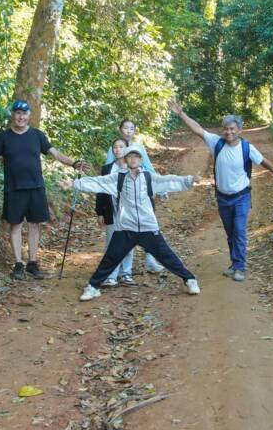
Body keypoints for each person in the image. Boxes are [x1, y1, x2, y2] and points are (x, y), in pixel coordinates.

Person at [0, 100, 91, 280]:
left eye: (24, 114)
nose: (21, 117)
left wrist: (74, 163)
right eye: (18, 113)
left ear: (29, 115)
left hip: (36, 187)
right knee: (15, 225)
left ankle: (32, 263)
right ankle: (18, 264)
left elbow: (55, 153)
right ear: (13, 115)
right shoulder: (4, 137)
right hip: (14, 188)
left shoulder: (37, 135)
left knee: (35, 225)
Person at [61, 145, 201, 301]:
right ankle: (93, 287)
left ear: (141, 159)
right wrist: (74, 183)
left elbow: (168, 180)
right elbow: (98, 182)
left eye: (136, 156)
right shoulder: (119, 178)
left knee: (166, 256)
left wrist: (189, 180)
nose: (133, 159)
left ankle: (190, 280)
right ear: (126, 160)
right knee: (111, 258)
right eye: (130, 156)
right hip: (126, 227)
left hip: (148, 227)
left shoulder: (149, 177)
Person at [167, 99, 273, 282]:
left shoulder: (246, 148)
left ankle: (240, 267)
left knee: (239, 231)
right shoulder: (217, 143)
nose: (229, 132)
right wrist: (181, 113)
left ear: (239, 130)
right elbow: (197, 129)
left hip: (241, 197)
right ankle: (234, 264)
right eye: (226, 129)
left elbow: (263, 161)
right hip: (223, 198)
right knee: (230, 234)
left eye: (232, 129)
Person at [103, 119, 165, 281]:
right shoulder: (115, 148)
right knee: (121, 235)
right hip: (120, 198)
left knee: (147, 226)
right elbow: (108, 172)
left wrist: (159, 187)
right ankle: (113, 273)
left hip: (140, 191)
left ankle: (149, 260)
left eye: (131, 128)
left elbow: (148, 167)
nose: (128, 131)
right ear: (120, 129)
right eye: (125, 128)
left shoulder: (138, 147)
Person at [96, 138, 134, 287]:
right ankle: (111, 275)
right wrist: (100, 212)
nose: (117, 149)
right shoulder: (107, 168)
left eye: (121, 147)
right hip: (111, 210)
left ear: (127, 149)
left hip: (130, 212)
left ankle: (126, 273)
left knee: (128, 241)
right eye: (115, 147)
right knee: (111, 243)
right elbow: (100, 190)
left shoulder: (133, 167)